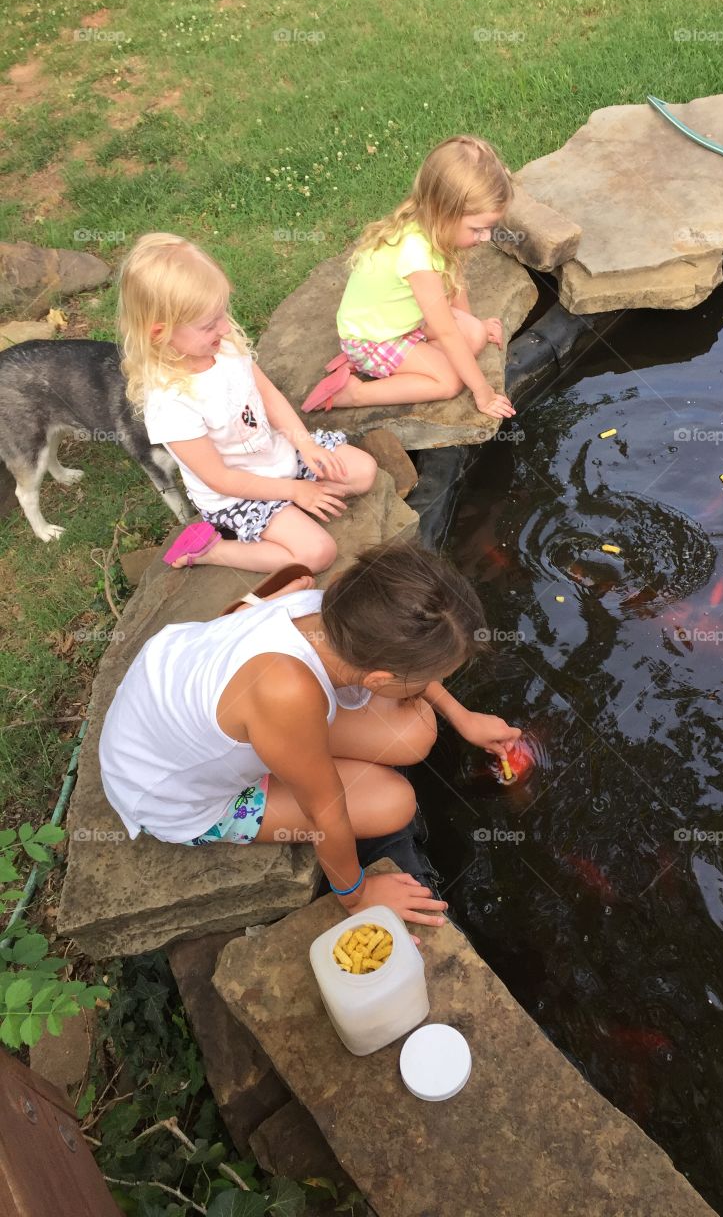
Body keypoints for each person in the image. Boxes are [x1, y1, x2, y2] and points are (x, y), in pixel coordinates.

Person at [98, 542, 522, 925]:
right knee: (395, 803)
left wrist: (460, 714)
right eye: (432, 677)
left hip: (186, 702)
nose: (434, 684)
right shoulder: (289, 696)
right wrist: (356, 896)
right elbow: (326, 812)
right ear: (377, 678)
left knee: (413, 733)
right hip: (170, 793)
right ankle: (274, 775)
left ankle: (285, 737)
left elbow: (397, 664)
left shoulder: (323, 606)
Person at [118, 232, 377, 572]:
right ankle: (211, 550)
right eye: (210, 324)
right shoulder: (171, 403)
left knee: (363, 472)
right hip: (239, 492)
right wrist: (296, 491)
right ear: (160, 333)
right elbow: (221, 479)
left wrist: (306, 445)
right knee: (317, 554)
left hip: (276, 453)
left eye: (222, 313)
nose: (226, 328)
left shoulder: (221, 347)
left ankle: (289, 513)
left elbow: (267, 394)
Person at [302, 135, 516, 419]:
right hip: (373, 339)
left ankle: (408, 361)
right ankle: (354, 392)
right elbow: (447, 332)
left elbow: (453, 276)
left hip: (405, 322)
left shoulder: (433, 224)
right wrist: (483, 392)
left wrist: (469, 324)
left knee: (475, 335)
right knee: (449, 381)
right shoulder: (416, 255)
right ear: (445, 212)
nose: (486, 236)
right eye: (478, 229)